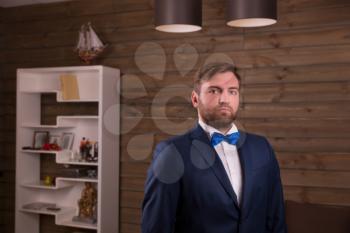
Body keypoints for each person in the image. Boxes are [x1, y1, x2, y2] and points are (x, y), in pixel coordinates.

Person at [141, 62, 287, 233]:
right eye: (214, 90)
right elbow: (156, 226)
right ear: (195, 99)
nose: (224, 99)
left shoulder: (262, 148)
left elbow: (275, 216)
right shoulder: (171, 153)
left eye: (232, 91)